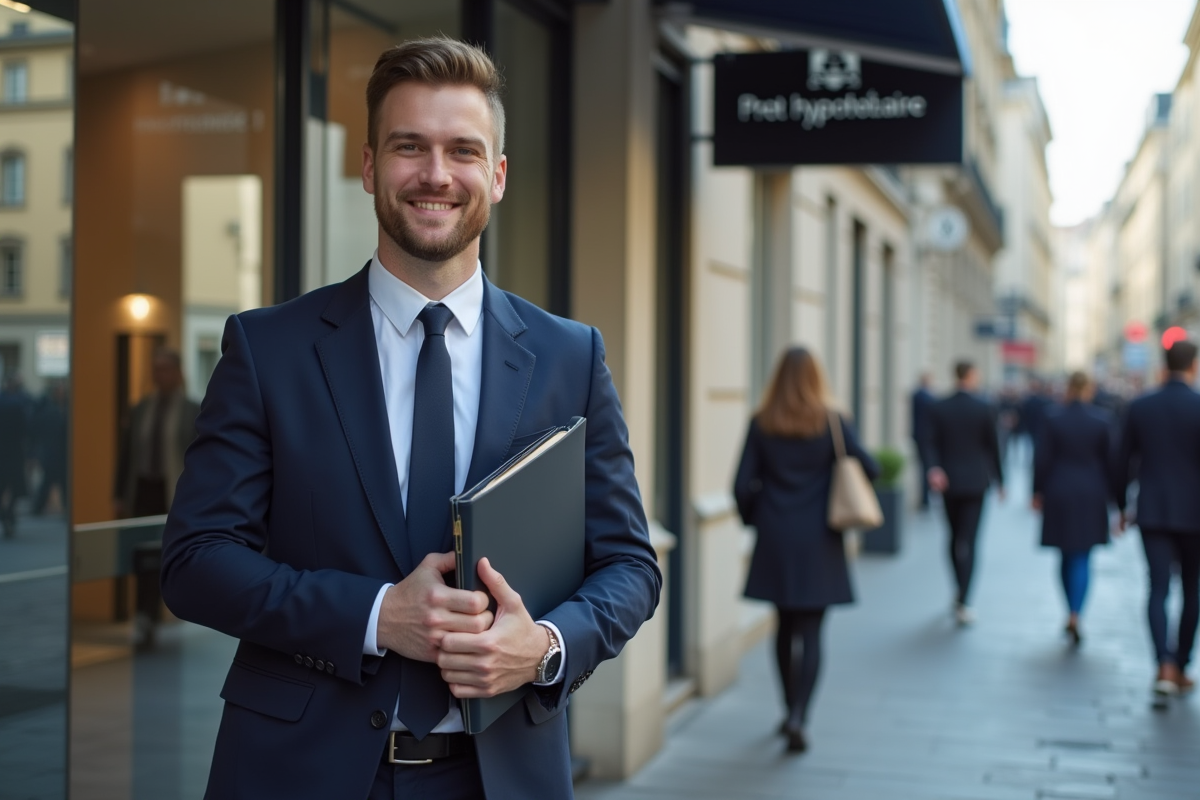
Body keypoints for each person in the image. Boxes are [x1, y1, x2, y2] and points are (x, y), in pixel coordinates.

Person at [160, 37, 662, 800]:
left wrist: (546, 646)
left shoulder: (570, 356)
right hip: (296, 774)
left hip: (502, 778)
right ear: (368, 167)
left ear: (496, 176)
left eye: (463, 150)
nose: (435, 174)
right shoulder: (270, 349)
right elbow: (194, 561)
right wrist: (375, 615)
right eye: (409, 147)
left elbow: (630, 566)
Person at [733, 347, 879, 754]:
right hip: (821, 539)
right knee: (812, 631)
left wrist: (757, 518)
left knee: (783, 627)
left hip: (777, 537)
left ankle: (787, 710)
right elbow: (870, 467)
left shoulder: (762, 423)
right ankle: (800, 715)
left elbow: (741, 486)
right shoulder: (832, 421)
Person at [1116, 340, 1200, 705]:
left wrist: (1121, 505)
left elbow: (1121, 461)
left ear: (1164, 364)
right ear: (1193, 366)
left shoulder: (1141, 406)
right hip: (1196, 514)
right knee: (1193, 590)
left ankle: (1162, 664)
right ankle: (1181, 665)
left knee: (1158, 588)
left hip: (1151, 510)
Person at [1032, 372, 1118, 645]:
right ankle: (1076, 613)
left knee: (1066, 554)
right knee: (1083, 556)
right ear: (1089, 389)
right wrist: (1117, 499)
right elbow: (1111, 463)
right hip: (1091, 492)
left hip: (1059, 490)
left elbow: (1042, 458)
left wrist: (1037, 491)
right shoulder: (1102, 420)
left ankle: (1069, 610)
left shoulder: (1053, 418)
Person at [922, 360, 1004, 625]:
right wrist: (1001, 480)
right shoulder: (983, 407)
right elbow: (994, 446)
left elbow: (928, 442)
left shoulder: (939, 406)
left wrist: (934, 468)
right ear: (972, 375)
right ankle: (964, 597)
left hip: (948, 481)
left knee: (954, 536)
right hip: (976, 482)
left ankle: (958, 589)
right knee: (970, 540)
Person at [113, 347, 200, 519]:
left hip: (174, 487)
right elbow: (126, 453)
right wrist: (118, 494)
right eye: (156, 369)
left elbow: (200, 458)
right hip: (142, 488)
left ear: (177, 373)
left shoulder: (192, 411)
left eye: (165, 369)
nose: (159, 375)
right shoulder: (140, 409)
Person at [0, 373, 31, 539]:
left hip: (4, 452)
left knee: (5, 487)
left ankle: (6, 515)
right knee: (16, 488)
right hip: (14, 452)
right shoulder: (19, 403)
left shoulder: (6, 401)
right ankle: (8, 515)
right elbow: (26, 430)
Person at [910, 372, 935, 509]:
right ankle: (926, 498)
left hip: (919, 436)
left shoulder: (916, 395)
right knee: (926, 467)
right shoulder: (926, 398)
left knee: (923, 467)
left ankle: (925, 497)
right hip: (925, 438)